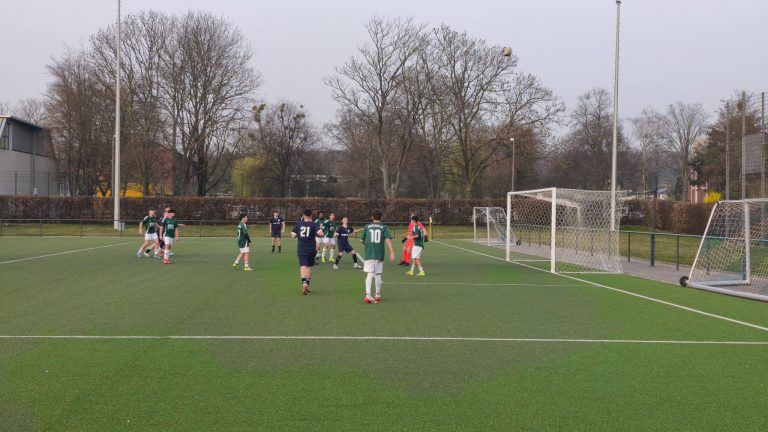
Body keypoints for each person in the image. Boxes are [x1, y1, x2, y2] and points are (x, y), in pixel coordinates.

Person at [359, 209, 395, 304]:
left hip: (370, 253)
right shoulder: (384, 227)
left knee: (370, 274)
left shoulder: (367, 226)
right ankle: (377, 295)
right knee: (378, 274)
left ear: (372, 217)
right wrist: (392, 252)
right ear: (381, 217)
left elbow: (361, 240)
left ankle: (368, 295)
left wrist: (367, 245)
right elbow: (387, 239)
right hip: (380, 254)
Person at [292, 209, 325, 295]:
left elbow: (293, 235)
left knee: (303, 265)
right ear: (311, 215)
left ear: (303, 215)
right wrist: (317, 233)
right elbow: (321, 233)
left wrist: (298, 234)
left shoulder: (298, 224)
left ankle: (304, 284)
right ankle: (308, 285)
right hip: (311, 248)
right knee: (309, 266)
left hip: (301, 248)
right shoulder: (313, 224)